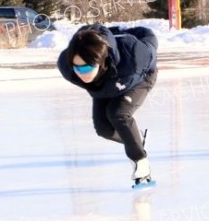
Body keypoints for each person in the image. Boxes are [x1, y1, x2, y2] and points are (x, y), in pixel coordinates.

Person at [57, 24, 158, 185]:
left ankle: (141, 167)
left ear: (101, 61)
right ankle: (137, 137)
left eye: (87, 67)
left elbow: (151, 44)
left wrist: (136, 33)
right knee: (103, 129)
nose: (83, 74)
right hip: (104, 86)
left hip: (138, 79)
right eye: (78, 68)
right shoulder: (67, 68)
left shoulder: (134, 55)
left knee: (118, 114)